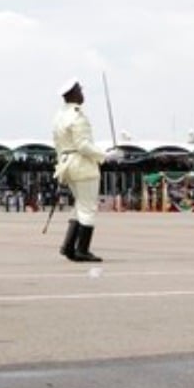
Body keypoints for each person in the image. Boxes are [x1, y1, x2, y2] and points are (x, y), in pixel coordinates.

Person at [52, 79, 120, 262]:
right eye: (80, 91)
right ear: (73, 94)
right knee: (88, 207)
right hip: (82, 165)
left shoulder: (60, 116)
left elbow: (58, 144)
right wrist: (105, 156)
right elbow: (83, 145)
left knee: (80, 206)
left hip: (67, 163)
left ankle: (68, 246)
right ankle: (82, 249)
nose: (83, 94)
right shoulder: (77, 116)